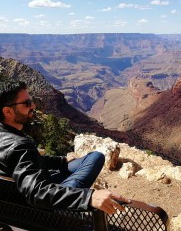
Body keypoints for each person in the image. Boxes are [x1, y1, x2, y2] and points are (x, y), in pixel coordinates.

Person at [0, 80, 130, 214]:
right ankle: (68, 209)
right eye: (27, 103)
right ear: (8, 111)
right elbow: (36, 193)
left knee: (95, 157)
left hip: (36, 183)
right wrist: (88, 197)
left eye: (31, 100)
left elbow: (25, 161)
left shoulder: (7, 138)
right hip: (45, 205)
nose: (33, 105)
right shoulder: (19, 145)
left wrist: (61, 161)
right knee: (91, 164)